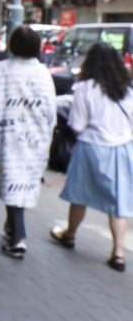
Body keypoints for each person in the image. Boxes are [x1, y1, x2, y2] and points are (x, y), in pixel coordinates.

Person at [49, 42, 133, 272]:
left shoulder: (85, 88)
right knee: (119, 203)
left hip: (90, 148)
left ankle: (70, 235)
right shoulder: (126, 90)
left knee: (80, 196)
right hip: (121, 150)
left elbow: (77, 124)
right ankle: (117, 253)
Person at [0, 26, 57, 259]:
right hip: (36, 138)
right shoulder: (44, 73)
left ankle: (18, 239)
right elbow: (50, 111)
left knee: (9, 180)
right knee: (18, 182)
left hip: (5, 137)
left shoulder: (0, 70)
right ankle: (12, 227)